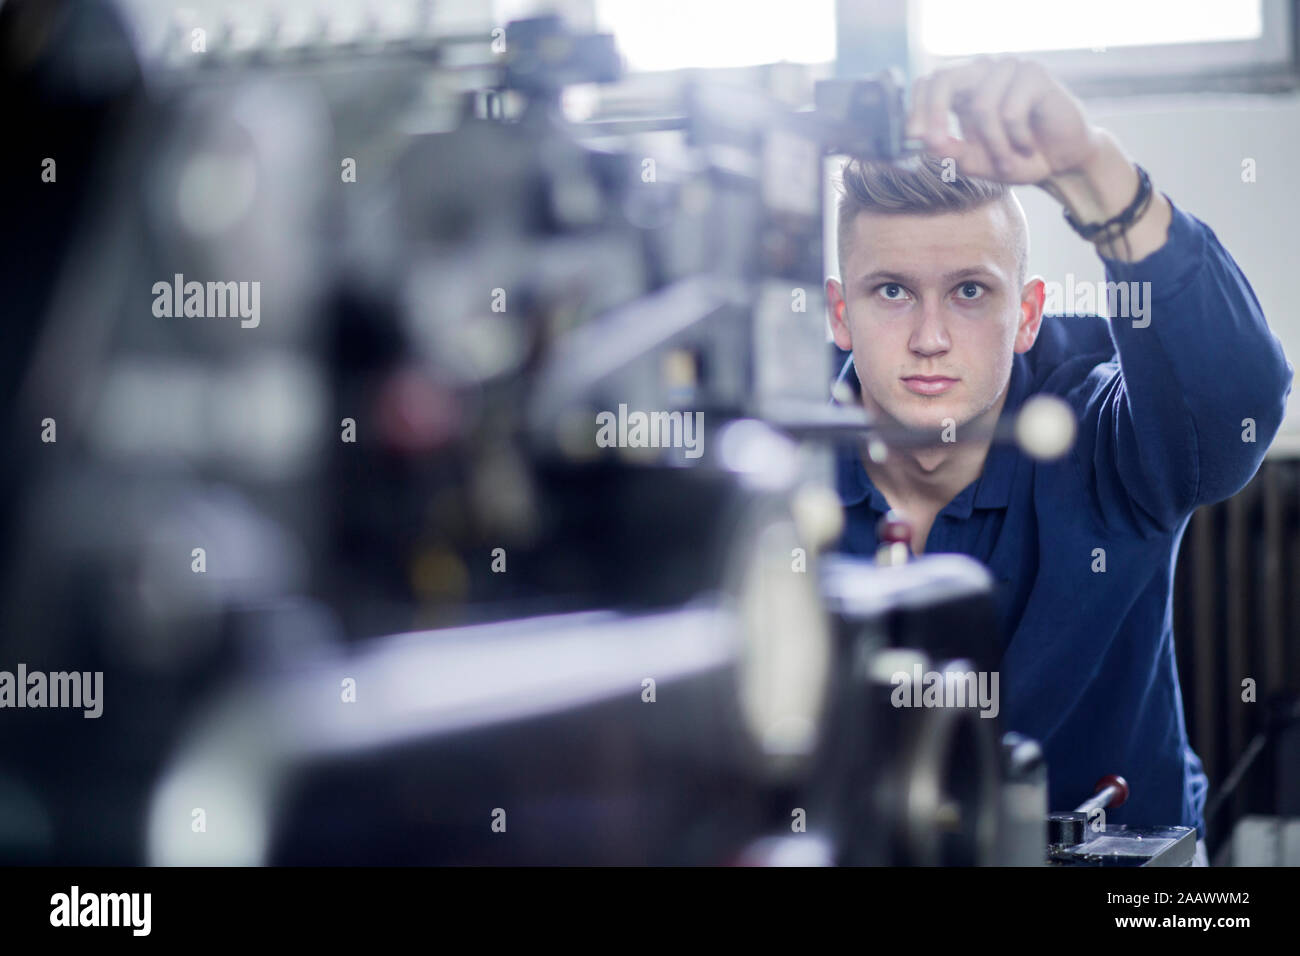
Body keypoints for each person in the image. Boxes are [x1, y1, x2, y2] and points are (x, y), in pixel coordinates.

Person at [826, 56, 1293, 866]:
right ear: (840, 313)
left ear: (1028, 314)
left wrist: (1094, 174)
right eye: (892, 291)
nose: (930, 336)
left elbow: (1240, 402)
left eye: (970, 291)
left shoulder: (1106, 439)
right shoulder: (774, 466)